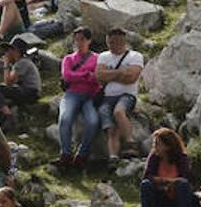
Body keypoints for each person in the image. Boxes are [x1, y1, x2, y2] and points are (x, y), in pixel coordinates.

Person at [55, 27, 100, 168]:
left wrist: (82, 76)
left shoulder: (98, 58)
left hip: (91, 96)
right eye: (77, 39)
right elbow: (67, 76)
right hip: (72, 94)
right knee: (65, 118)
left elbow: (97, 78)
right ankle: (65, 154)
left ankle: (82, 155)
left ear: (89, 40)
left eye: (82, 39)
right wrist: (86, 74)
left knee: (93, 121)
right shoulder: (68, 59)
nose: (79, 43)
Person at [95, 28, 143, 160]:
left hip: (127, 95)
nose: (111, 46)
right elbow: (99, 76)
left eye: (114, 42)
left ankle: (130, 143)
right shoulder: (103, 56)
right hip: (107, 97)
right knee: (111, 129)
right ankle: (113, 157)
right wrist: (121, 72)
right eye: (109, 42)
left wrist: (109, 74)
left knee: (118, 112)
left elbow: (131, 78)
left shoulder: (135, 56)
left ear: (122, 42)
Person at [140, 128, 194, 207]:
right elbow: (147, 176)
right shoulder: (154, 157)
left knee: (183, 185)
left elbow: (185, 178)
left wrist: (169, 182)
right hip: (160, 194)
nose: (155, 147)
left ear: (168, 146)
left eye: (157, 144)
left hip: (177, 195)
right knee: (145, 184)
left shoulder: (182, 158)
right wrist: (165, 181)